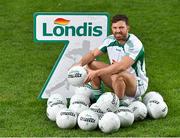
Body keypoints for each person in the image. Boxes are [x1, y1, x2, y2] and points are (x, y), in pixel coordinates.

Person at [75, 14, 148, 104]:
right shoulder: (110, 40)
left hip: (137, 85)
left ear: (127, 28)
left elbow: (121, 66)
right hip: (115, 79)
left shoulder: (134, 44)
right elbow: (93, 54)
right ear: (111, 28)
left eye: (121, 27)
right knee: (92, 64)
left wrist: (96, 73)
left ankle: (119, 105)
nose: (117, 31)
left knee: (117, 74)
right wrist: (78, 64)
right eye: (115, 28)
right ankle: (98, 100)